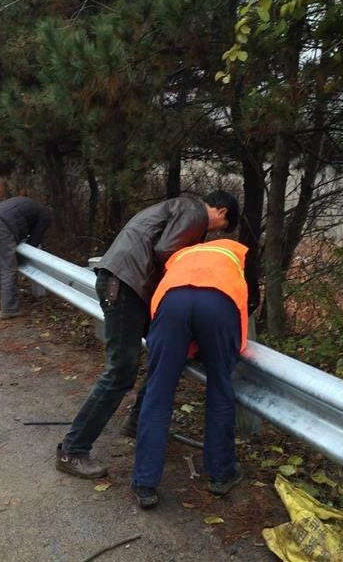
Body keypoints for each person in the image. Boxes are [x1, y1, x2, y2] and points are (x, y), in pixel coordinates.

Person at [56, 190, 241, 480]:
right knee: (121, 372)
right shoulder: (195, 212)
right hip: (126, 284)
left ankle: (138, 421)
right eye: (221, 227)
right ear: (222, 212)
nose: (213, 234)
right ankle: (72, 449)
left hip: (130, 284)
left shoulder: (178, 207)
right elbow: (165, 250)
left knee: (167, 352)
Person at [130, 239, 251, 508]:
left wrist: (183, 347)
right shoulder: (234, 254)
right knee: (220, 387)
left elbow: (165, 308)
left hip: (172, 302)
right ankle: (222, 473)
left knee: (158, 391)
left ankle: (145, 483)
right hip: (220, 302)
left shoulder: (180, 256)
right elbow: (238, 316)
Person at [0, 196, 51, 320]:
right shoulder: (45, 216)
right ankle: (9, 309)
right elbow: (33, 241)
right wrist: (21, 259)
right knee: (9, 268)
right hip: (2, 226)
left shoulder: (28, 204)